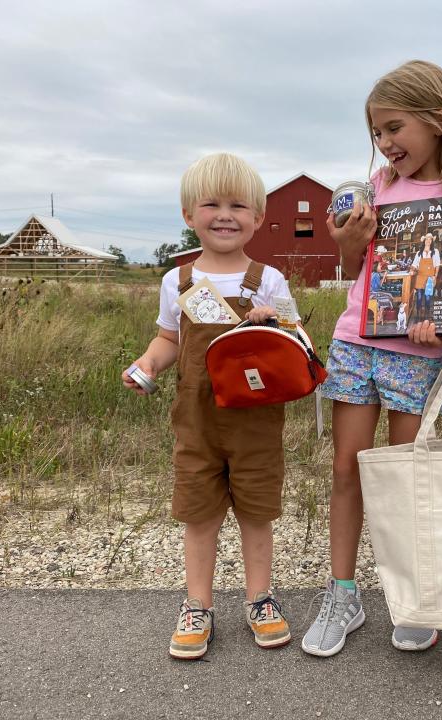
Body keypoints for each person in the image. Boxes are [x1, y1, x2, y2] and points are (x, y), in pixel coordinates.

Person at [301, 60, 442, 658]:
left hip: (417, 353)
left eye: (394, 128)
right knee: (347, 469)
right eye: (376, 135)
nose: (386, 145)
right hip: (356, 340)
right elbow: (360, 270)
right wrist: (348, 244)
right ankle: (343, 593)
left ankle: (414, 592)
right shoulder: (377, 188)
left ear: (439, 120)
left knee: (407, 477)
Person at [123, 152, 295, 660]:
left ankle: (260, 598)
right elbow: (166, 339)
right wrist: (149, 364)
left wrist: (273, 322)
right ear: (187, 215)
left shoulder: (269, 280)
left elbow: (296, 336)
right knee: (199, 516)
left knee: (256, 514)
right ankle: (198, 604)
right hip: (196, 424)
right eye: (211, 204)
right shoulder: (176, 282)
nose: (225, 214)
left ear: (259, 218)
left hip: (257, 423)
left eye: (239, 205)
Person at [410, 233, 441, 322]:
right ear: (424, 241)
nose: (428, 241)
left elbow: (437, 265)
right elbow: (415, 264)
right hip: (420, 277)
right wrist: (412, 269)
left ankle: (427, 315)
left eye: (430, 239)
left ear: (431, 241)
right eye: (427, 239)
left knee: (427, 297)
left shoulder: (435, 251)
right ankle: (418, 315)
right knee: (419, 297)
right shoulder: (419, 252)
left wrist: (435, 276)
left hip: (430, 278)